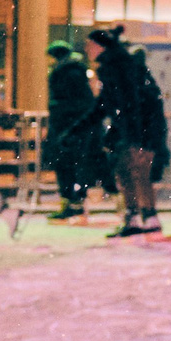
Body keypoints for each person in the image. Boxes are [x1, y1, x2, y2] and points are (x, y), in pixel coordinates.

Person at [86, 26, 169, 238]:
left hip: (140, 128)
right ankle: (146, 217)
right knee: (135, 172)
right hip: (141, 128)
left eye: (90, 44)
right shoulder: (119, 64)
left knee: (132, 170)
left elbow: (128, 104)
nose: (87, 48)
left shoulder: (117, 66)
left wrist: (136, 138)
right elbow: (111, 105)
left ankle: (137, 217)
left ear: (99, 46)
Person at [44, 39, 100, 217]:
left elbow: (68, 101)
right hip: (74, 128)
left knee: (66, 165)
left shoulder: (66, 73)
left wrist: (57, 112)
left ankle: (71, 203)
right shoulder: (76, 72)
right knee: (77, 165)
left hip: (66, 127)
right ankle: (76, 202)